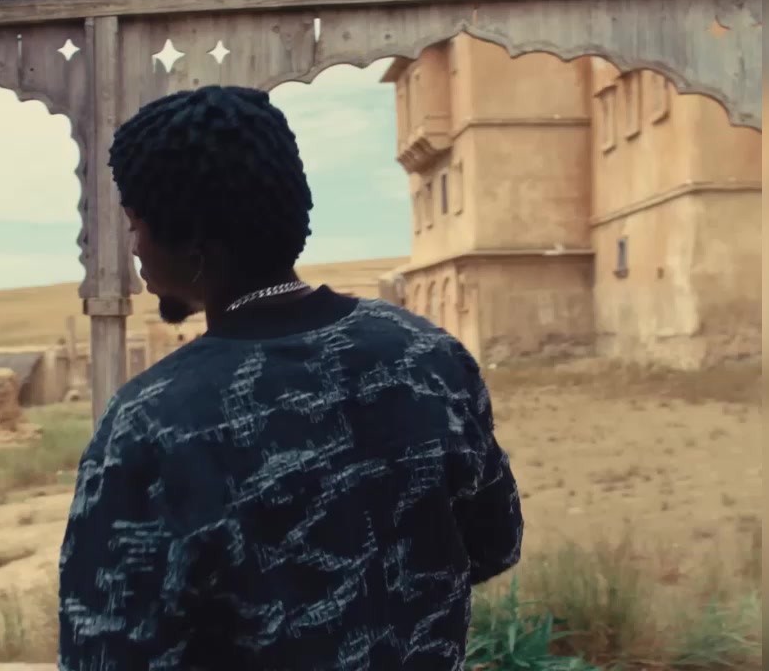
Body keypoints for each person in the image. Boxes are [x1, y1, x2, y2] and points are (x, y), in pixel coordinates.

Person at [58, 86, 523, 670]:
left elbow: (101, 652)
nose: (135, 249)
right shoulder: (428, 355)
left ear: (189, 237)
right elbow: (495, 543)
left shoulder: (151, 423)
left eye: (135, 225)